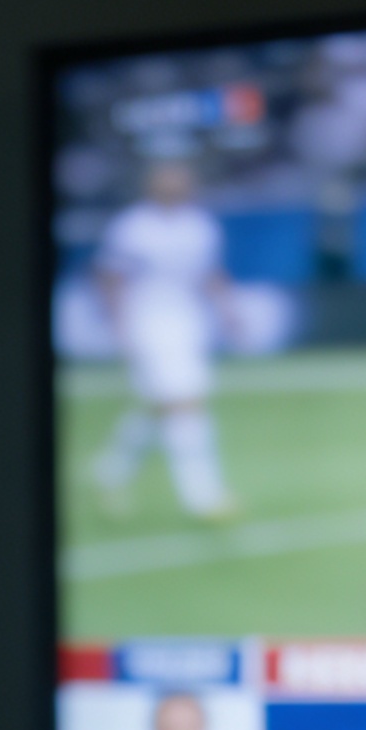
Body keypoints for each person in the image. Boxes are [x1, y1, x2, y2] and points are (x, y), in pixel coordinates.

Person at [91, 161, 239, 521]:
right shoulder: (132, 227)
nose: (175, 184)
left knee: (161, 405)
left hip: (188, 322)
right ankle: (203, 496)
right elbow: (111, 276)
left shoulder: (200, 226)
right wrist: (119, 326)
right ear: (152, 183)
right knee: (185, 403)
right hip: (148, 321)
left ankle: (111, 470)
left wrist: (228, 310)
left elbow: (210, 274)